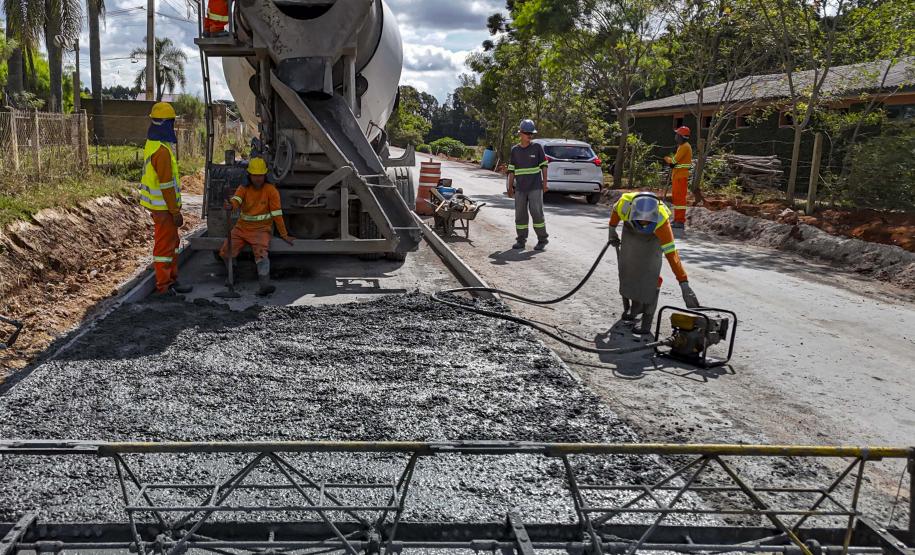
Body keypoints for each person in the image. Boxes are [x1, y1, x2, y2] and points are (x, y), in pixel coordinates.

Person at [608, 192, 700, 338]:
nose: (644, 225)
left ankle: (646, 322)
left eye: (647, 223)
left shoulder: (661, 221)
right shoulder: (625, 205)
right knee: (628, 270)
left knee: (650, 275)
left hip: (653, 239)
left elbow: (671, 254)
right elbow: (615, 212)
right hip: (630, 231)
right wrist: (612, 230)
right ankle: (635, 309)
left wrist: (684, 283)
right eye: (642, 222)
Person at [219, 157, 295, 296]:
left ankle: (264, 284)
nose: (258, 179)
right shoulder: (243, 188)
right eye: (255, 175)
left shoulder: (271, 191)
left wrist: (284, 235)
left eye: (260, 175)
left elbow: (277, 215)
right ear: (249, 175)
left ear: (265, 175)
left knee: (261, 254)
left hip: (262, 229)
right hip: (242, 228)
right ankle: (232, 273)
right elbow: (236, 200)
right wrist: (231, 205)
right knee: (226, 250)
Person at [140, 102, 193, 296]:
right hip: (164, 209)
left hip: (163, 208)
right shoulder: (161, 152)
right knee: (164, 247)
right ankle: (164, 287)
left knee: (173, 244)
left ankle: (172, 279)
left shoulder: (154, 145)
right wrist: (175, 211)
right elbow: (166, 185)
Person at [506, 119, 549, 251]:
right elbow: (511, 170)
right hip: (520, 188)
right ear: (521, 133)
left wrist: (545, 183)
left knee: (537, 213)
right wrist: (509, 187)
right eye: (527, 133)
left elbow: (544, 167)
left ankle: (542, 240)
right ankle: (521, 240)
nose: (529, 136)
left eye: (531, 133)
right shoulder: (515, 150)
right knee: (520, 215)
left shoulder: (537, 148)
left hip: (535, 187)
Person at [664, 126, 693, 228]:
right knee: (677, 199)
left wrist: (667, 159)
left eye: (677, 135)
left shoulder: (685, 147)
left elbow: (674, 162)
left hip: (680, 177)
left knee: (680, 200)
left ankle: (680, 221)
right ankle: (677, 219)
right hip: (678, 176)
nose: (675, 137)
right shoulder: (682, 146)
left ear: (681, 137)